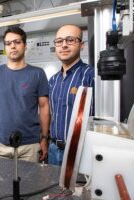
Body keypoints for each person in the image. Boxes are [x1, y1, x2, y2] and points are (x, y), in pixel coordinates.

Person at [0, 27, 50, 162]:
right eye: (8, 43)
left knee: (29, 183)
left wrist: (45, 138)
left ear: (25, 45)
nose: (12, 46)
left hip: (29, 146)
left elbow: (44, 107)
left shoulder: (38, 73)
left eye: (17, 42)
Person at [48, 25, 94, 165]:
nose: (64, 45)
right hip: (53, 150)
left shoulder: (91, 75)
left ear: (81, 45)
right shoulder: (53, 80)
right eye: (59, 41)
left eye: (70, 40)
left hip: (81, 152)